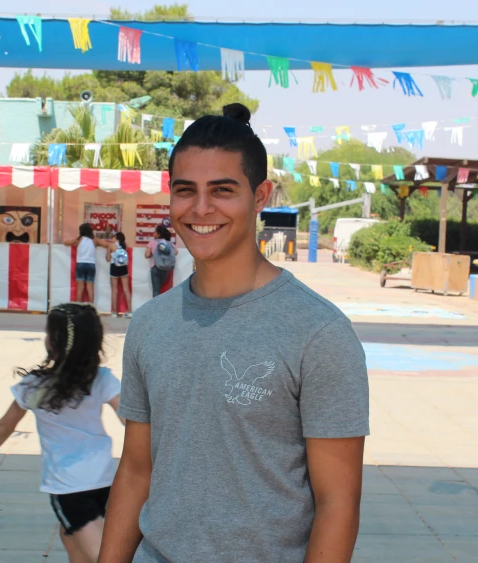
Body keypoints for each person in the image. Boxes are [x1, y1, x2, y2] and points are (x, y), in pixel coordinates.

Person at [99, 103, 369, 563]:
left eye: (222, 191)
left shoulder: (318, 332)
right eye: (186, 191)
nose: (201, 209)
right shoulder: (150, 324)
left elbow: (338, 503)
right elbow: (137, 470)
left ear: (260, 195)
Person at [0, 303, 123, 563]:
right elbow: (132, 419)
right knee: (72, 541)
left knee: (103, 555)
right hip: (105, 481)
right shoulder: (102, 379)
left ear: (52, 342)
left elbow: (6, 425)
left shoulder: (34, 386)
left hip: (69, 489)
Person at [65, 223, 97, 303]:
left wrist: (74, 241)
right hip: (91, 264)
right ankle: (91, 309)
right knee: (90, 289)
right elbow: (106, 244)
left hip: (80, 264)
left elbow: (66, 242)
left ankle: (78, 309)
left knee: (80, 289)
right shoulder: (94, 240)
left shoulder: (78, 240)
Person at [145, 224, 176, 297]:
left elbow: (147, 255)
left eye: (155, 232)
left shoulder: (152, 242)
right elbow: (176, 252)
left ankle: (155, 308)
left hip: (155, 267)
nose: (153, 233)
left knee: (156, 290)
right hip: (166, 268)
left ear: (159, 234)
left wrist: (153, 254)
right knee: (162, 287)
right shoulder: (169, 243)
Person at [107, 232, 133, 318]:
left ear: (116, 237)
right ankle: (129, 311)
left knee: (114, 290)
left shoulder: (111, 245)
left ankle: (114, 312)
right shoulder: (125, 244)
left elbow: (108, 258)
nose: (112, 238)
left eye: (113, 236)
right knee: (126, 289)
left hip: (114, 267)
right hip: (123, 267)